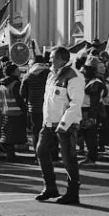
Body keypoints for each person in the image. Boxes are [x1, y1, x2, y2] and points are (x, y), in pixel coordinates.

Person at [36, 47, 84, 205]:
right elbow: (48, 100)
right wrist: (46, 120)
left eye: (53, 57)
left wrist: (64, 123)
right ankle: (50, 187)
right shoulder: (51, 74)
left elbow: (76, 103)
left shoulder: (73, 75)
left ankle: (73, 192)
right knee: (41, 150)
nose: (50, 60)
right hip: (49, 123)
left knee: (69, 159)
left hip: (66, 125)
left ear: (63, 59)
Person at [19, 54, 51, 152]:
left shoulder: (28, 76)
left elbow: (22, 93)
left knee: (36, 131)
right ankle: (51, 154)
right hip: (49, 106)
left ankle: (38, 155)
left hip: (33, 107)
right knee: (49, 130)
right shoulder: (50, 74)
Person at [0, 63, 27, 162]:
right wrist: (25, 109)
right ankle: (11, 156)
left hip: (6, 112)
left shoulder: (2, 84)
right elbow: (19, 98)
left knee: (8, 135)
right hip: (17, 112)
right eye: (18, 70)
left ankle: (10, 155)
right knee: (14, 135)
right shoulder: (16, 83)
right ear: (13, 72)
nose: (19, 72)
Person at [79, 65, 107, 166]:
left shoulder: (95, 84)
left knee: (90, 136)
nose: (80, 73)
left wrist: (91, 117)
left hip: (90, 112)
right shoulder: (90, 82)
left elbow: (94, 102)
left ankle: (91, 158)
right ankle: (91, 156)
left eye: (82, 72)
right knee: (88, 135)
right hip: (87, 111)